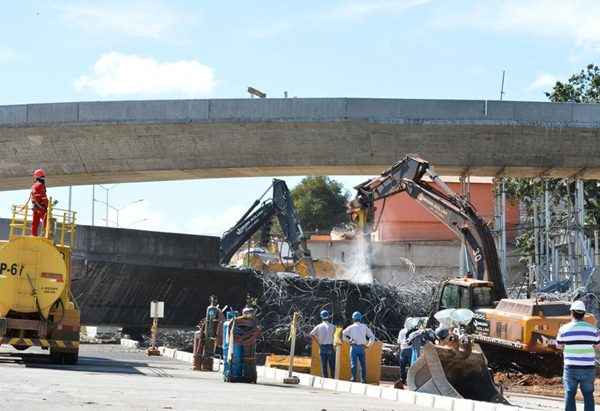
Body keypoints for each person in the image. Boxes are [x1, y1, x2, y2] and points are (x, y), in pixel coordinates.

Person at [556, 300, 600, 411]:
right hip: (588, 368)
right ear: (584, 314)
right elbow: (598, 346)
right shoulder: (594, 330)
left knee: (570, 394)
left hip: (571, 368)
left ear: (571, 313)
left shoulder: (563, 329)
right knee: (588, 395)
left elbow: (559, 346)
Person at [342, 311, 375, 383]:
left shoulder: (351, 327)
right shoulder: (364, 327)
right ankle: (363, 379)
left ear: (353, 319)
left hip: (353, 347)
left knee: (353, 364)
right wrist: (368, 345)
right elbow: (372, 337)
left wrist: (348, 341)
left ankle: (353, 378)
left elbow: (343, 334)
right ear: (360, 319)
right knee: (363, 364)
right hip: (362, 347)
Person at [310, 309, 336, 378]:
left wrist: (318, 342)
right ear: (328, 317)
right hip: (330, 347)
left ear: (321, 317)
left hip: (322, 346)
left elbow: (312, 334)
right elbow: (336, 336)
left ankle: (325, 379)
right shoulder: (333, 326)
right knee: (332, 365)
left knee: (323, 365)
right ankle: (332, 378)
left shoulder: (319, 326)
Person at [30, 169, 48, 237]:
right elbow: (43, 197)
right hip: (41, 207)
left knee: (35, 222)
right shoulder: (41, 185)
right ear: (41, 177)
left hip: (35, 207)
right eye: (43, 177)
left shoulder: (34, 185)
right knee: (46, 221)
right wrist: (47, 205)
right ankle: (46, 236)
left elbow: (34, 196)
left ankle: (34, 235)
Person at [397, 318, 414, 385]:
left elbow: (399, 342)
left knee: (402, 366)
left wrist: (399, 350)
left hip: (403, 349)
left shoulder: (402, 331)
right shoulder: (413, 331)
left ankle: (402, 380)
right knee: (411, 366)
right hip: (410, 349)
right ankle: (409, 380)